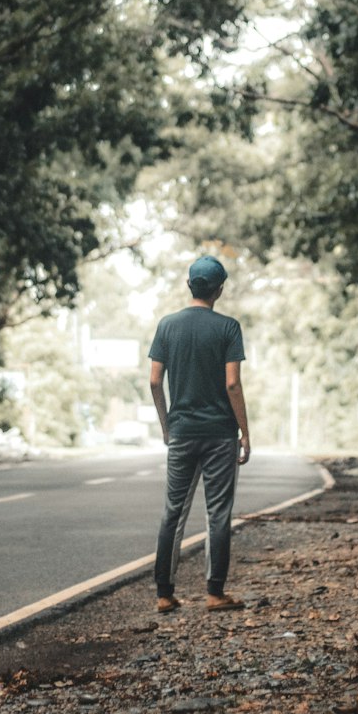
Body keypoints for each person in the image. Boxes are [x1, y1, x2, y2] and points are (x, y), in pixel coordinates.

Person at [149, 254, 251, 613]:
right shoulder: (228, 328)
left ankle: (164, 594)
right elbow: (233, 384)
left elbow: (154, 381)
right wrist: (244, 432)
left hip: (182, 433)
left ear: (189, 285)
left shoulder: (167, 326)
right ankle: (214, 592)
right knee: (218, 513)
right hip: (220, 435)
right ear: (219, 290)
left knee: (173, 511)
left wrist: (167, 425)